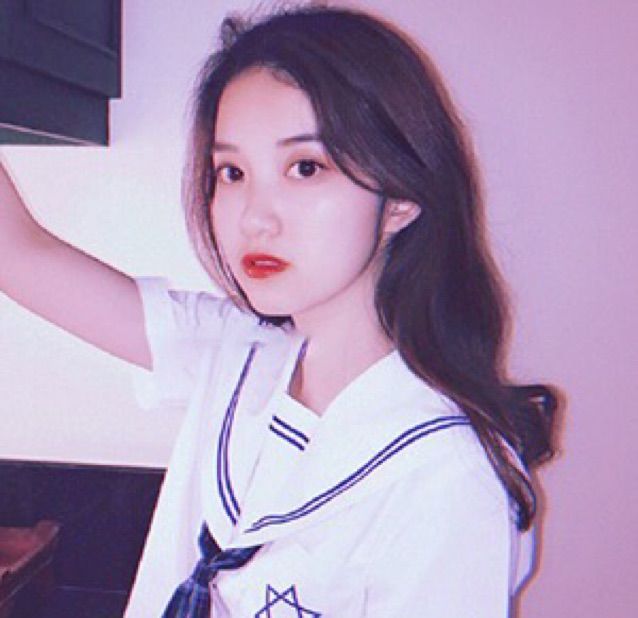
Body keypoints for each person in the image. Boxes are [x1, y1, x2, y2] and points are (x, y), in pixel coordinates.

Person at [0, 4, 556, 617]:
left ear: (400, 197)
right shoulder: (237, 352)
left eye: (305, 168)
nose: (254, 218)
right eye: (232, 172)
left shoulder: (447, 475)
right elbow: (17, 255)